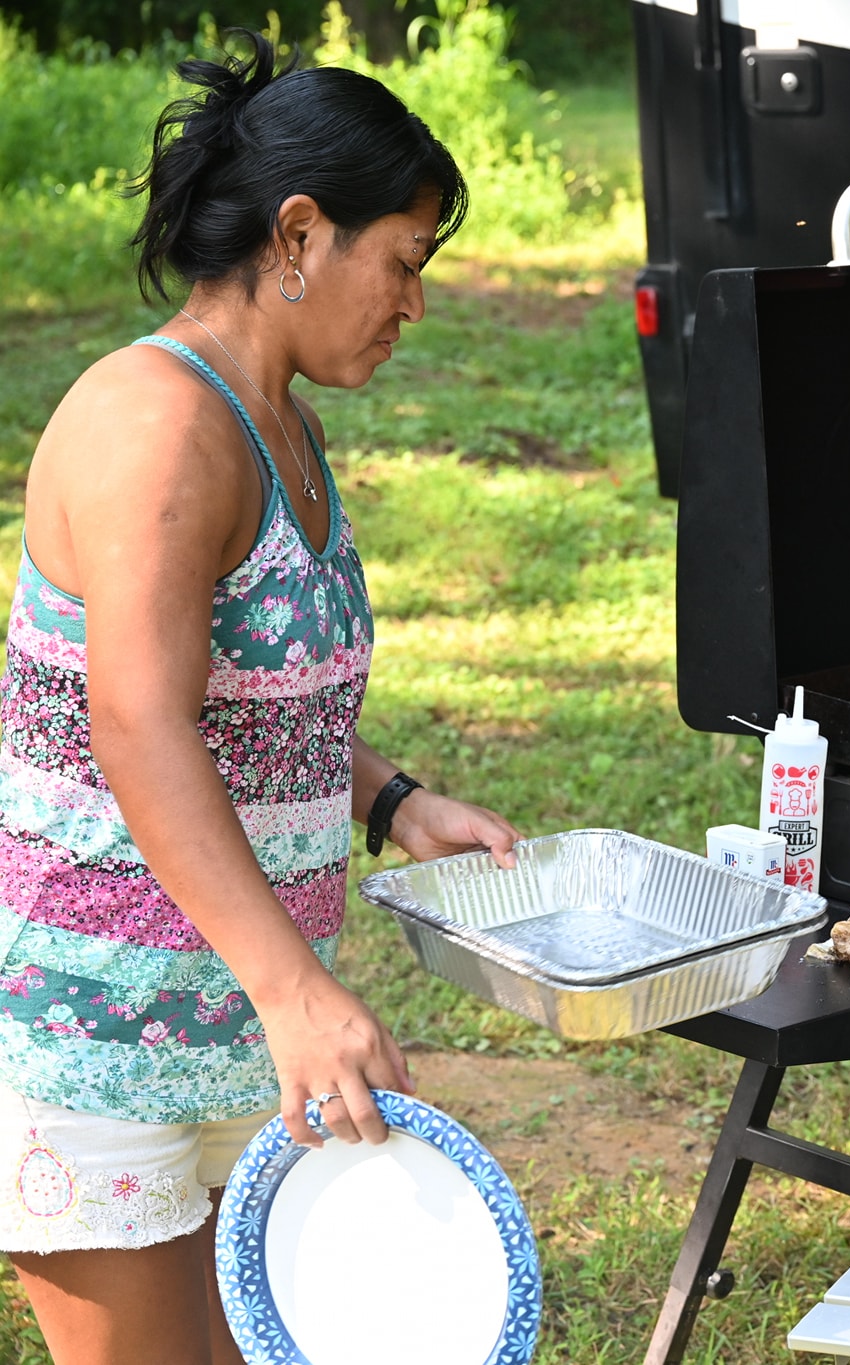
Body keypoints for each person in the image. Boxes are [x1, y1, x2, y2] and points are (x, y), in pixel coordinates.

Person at [0, 33, 520, 1364]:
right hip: (95, 1041)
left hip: (233, 1024)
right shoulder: (156, 424)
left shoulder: (279, 416)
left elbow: (248, 697)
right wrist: (297, 990)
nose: (415, 305)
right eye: (401, 263)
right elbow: (137, 718)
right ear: (299, 234)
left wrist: (392, 799)